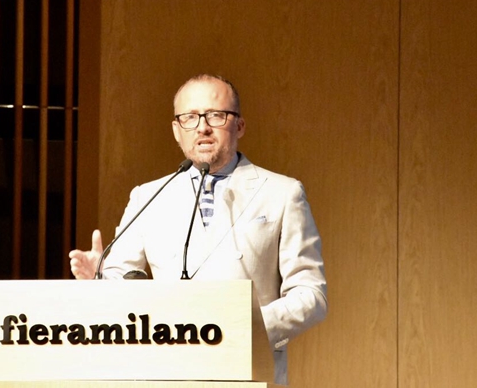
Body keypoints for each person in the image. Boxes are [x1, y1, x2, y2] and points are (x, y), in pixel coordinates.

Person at [69, 74, 327, 385]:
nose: (202, 127)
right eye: (190, 117)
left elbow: (311, 295)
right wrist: (98, 279)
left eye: (216, 115)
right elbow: (121, 287)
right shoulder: (147, 196)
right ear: (176, 131)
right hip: (168, 374)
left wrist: (248, 327)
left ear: (239, 126)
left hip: (247, 369)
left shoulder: (282, 193)